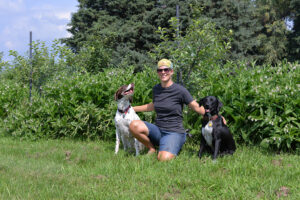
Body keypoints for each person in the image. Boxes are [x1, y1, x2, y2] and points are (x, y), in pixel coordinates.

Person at [129, 59, 205, 161]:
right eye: (160, 70)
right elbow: (153, 106)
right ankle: (151, 148)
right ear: (157, 73)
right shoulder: (156, 89)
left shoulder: (180, 90)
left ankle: (172, 144)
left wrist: (215, 116)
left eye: (166, 69)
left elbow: (196, 107)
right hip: (158, 130)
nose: (163, 72)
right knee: (134, 125)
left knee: (163, 159)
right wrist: (131, 109)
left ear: (171, 71)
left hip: (174, 132)